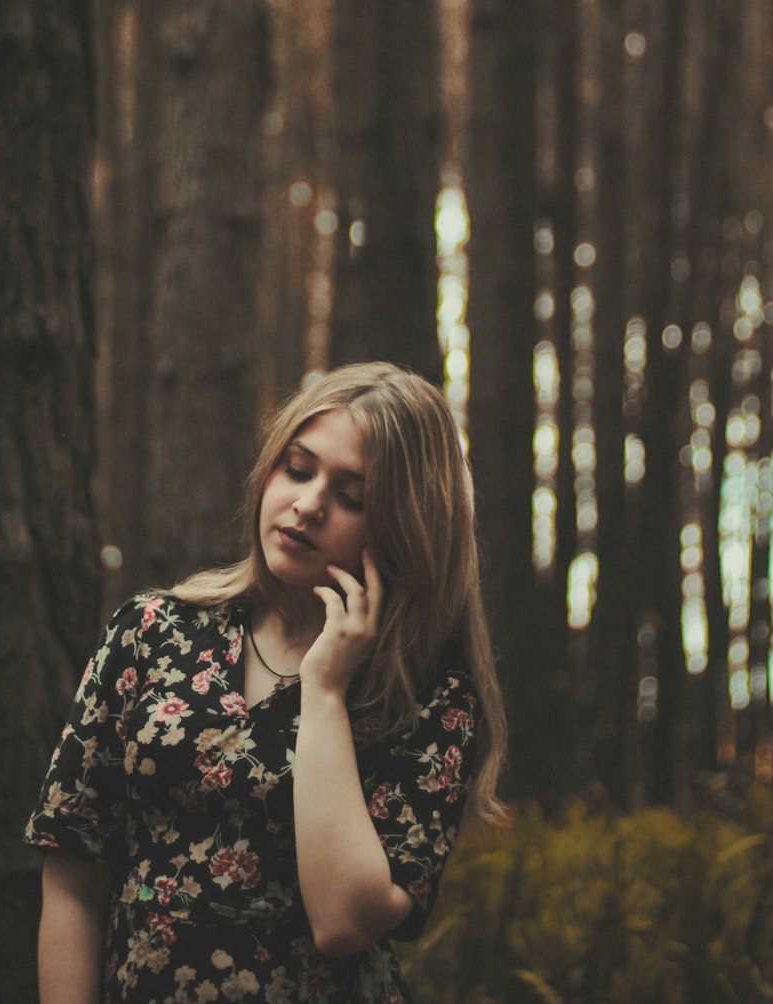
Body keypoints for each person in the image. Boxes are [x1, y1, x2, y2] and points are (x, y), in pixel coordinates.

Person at [25, 361, 506, 1003]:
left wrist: (327, 691)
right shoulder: (151, 632)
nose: (307, 505)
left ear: (404, 529)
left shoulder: (430, 700)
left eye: (351, 496)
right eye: (298, 469)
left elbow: (344, 920)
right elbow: (72, 873)